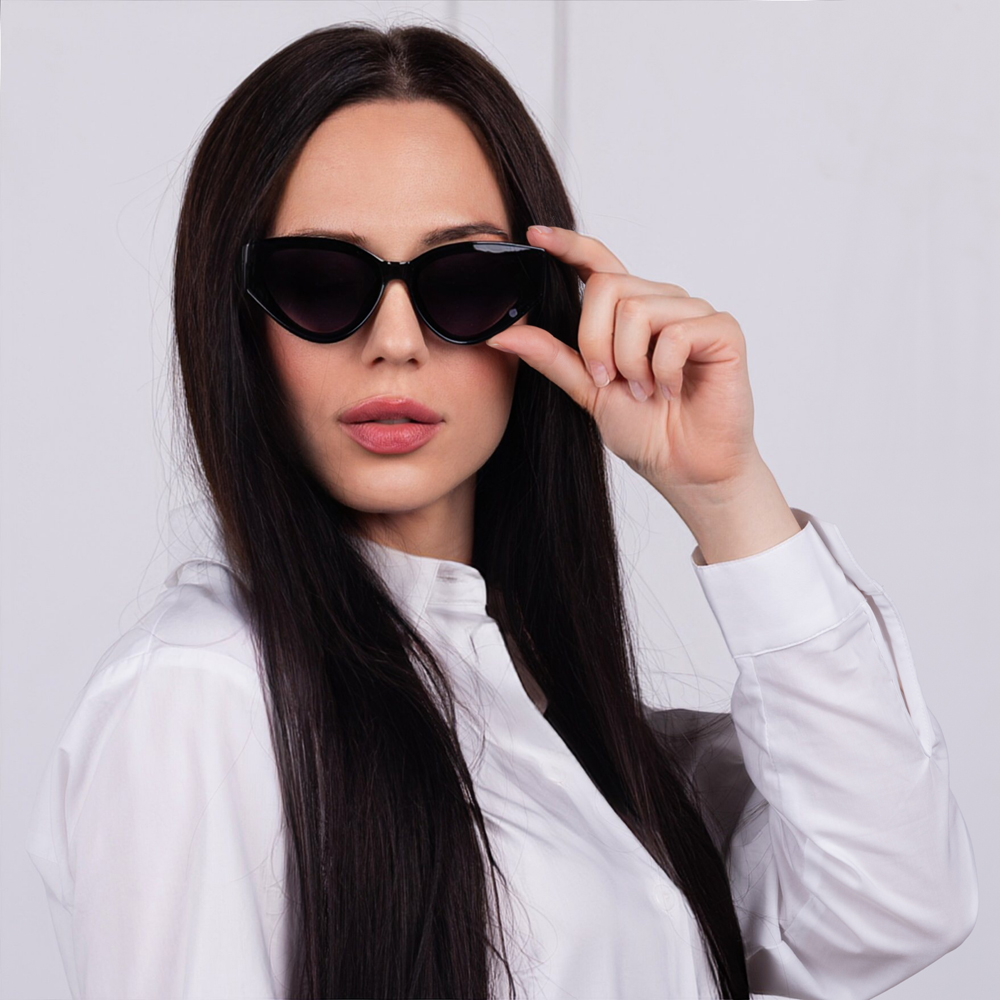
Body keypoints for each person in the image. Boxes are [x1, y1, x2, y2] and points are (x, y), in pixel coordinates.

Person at [25, 21, 977, 1000]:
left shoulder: (574, 731)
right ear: (237, 321)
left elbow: (892, 904)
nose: (395, 340)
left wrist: (725, 495)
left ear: (538, 308)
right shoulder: (204, 695)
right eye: (320, 280)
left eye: (464, 282)